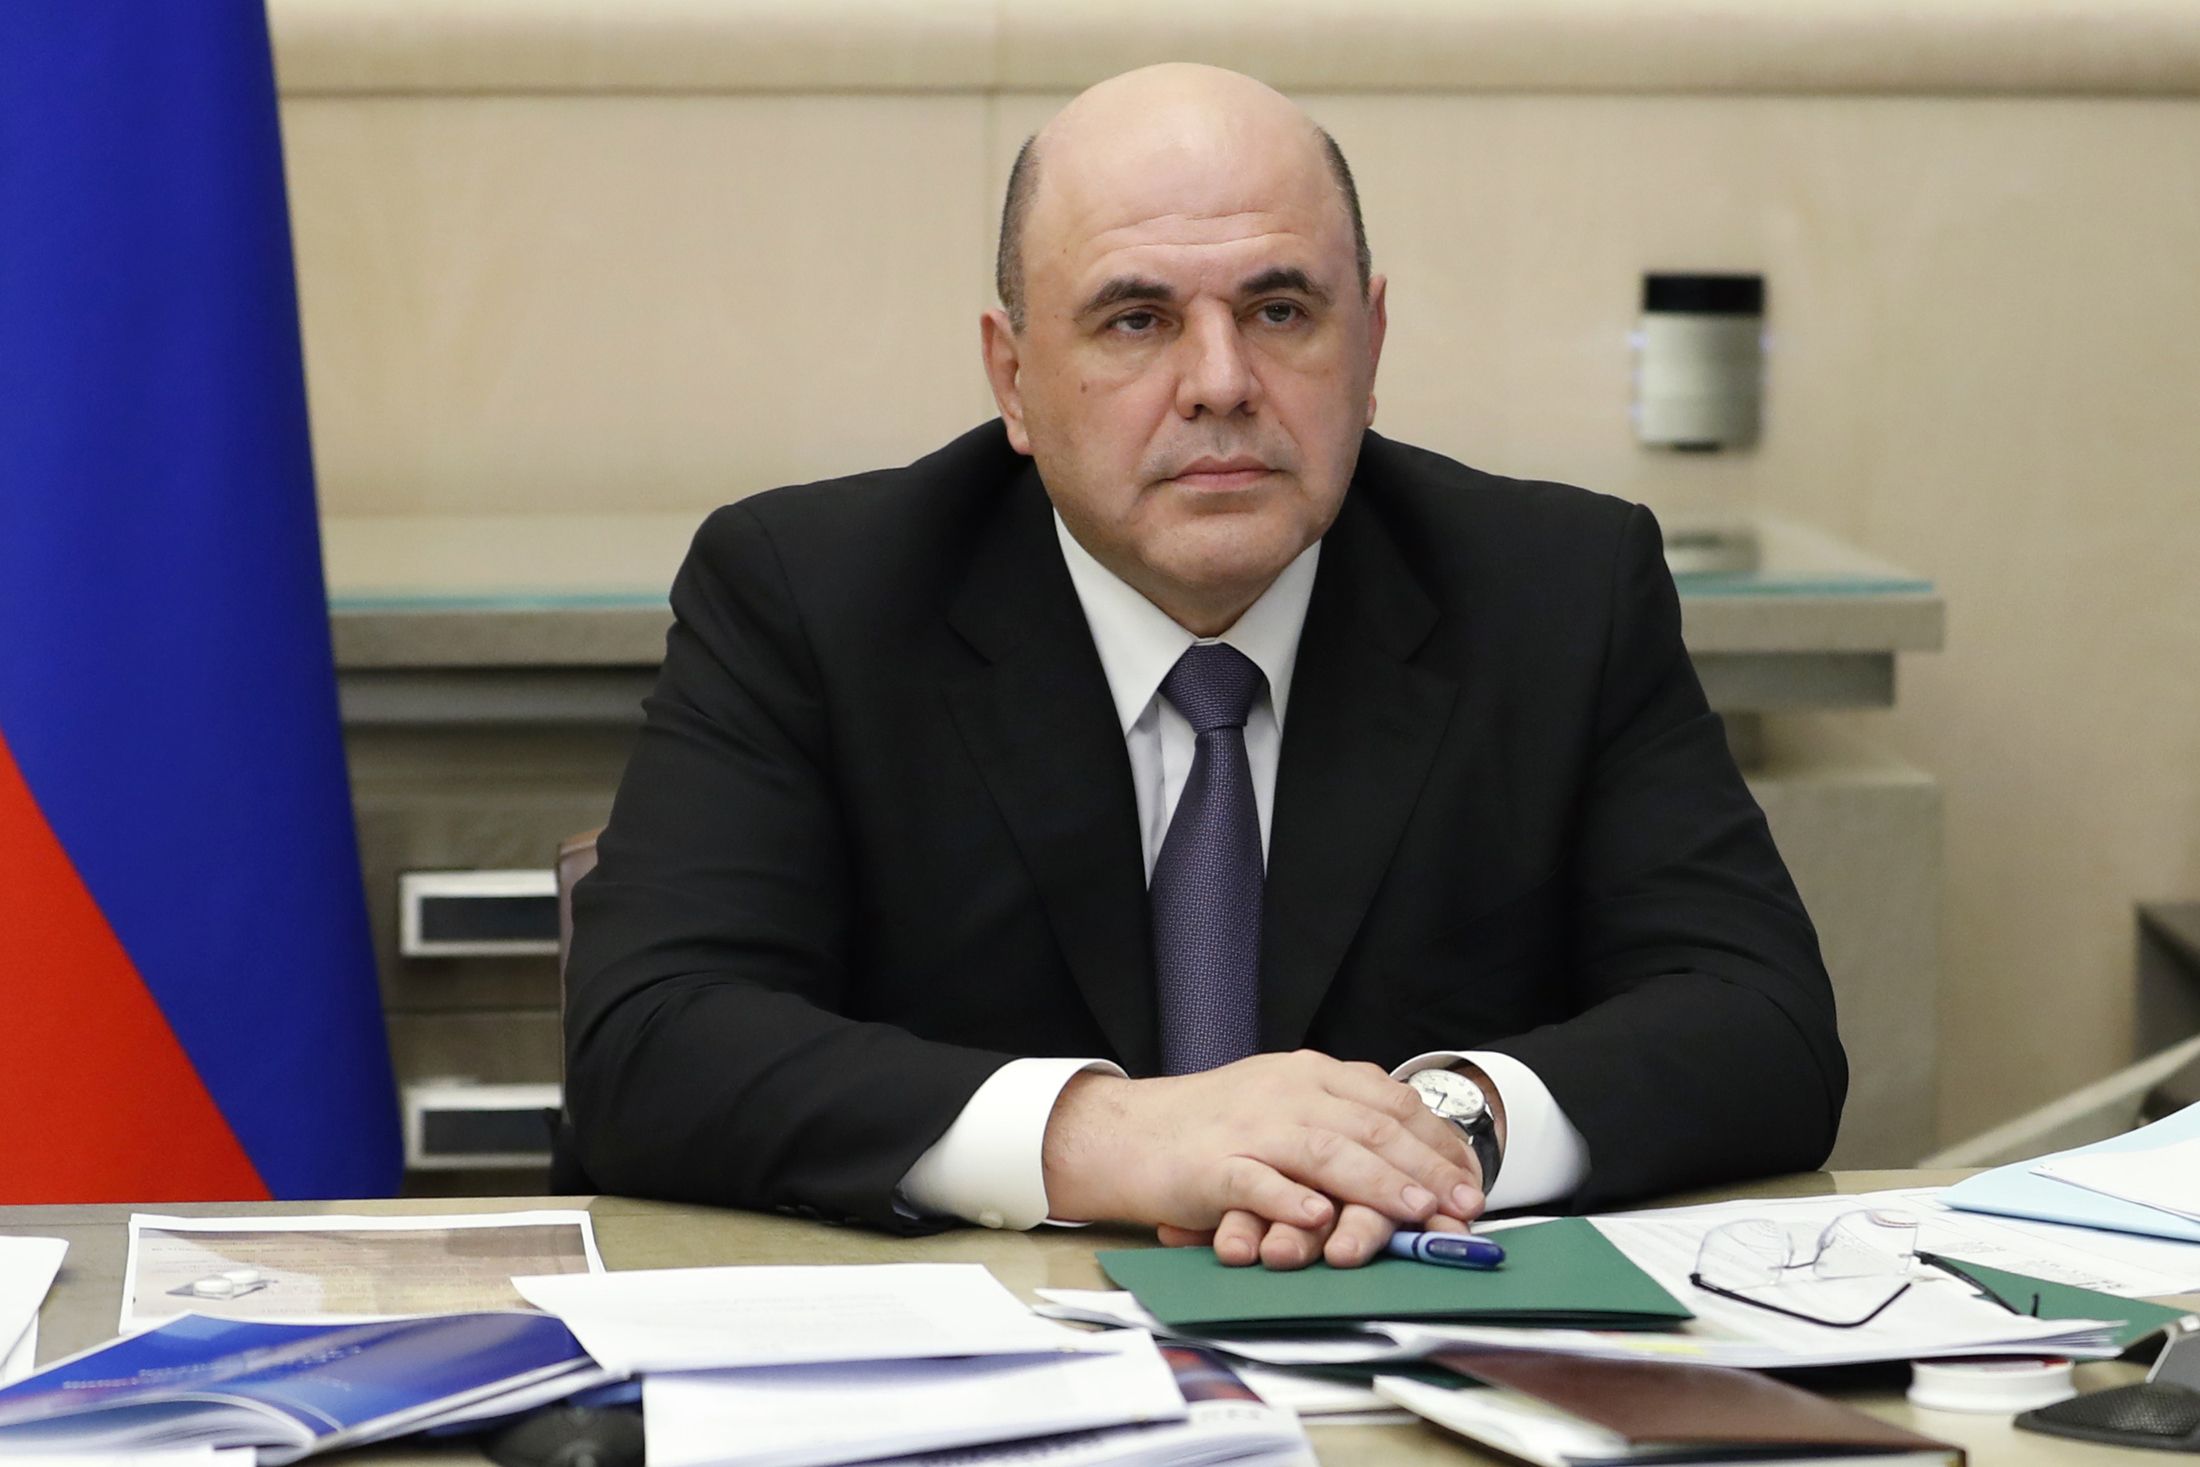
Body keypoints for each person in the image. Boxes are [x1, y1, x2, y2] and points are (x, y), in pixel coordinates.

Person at [565, 64, 1845, 1270]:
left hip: (1407, 1334)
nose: (1220, 383)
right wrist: (1111, 1138)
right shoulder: (813, 595)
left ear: (1370, 344)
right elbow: (649, 1044)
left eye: (1280, 312)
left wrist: (1437, 1132)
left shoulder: (1556, 591)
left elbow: (1760, 1022)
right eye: (1137, 320)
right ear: (1014, 379)